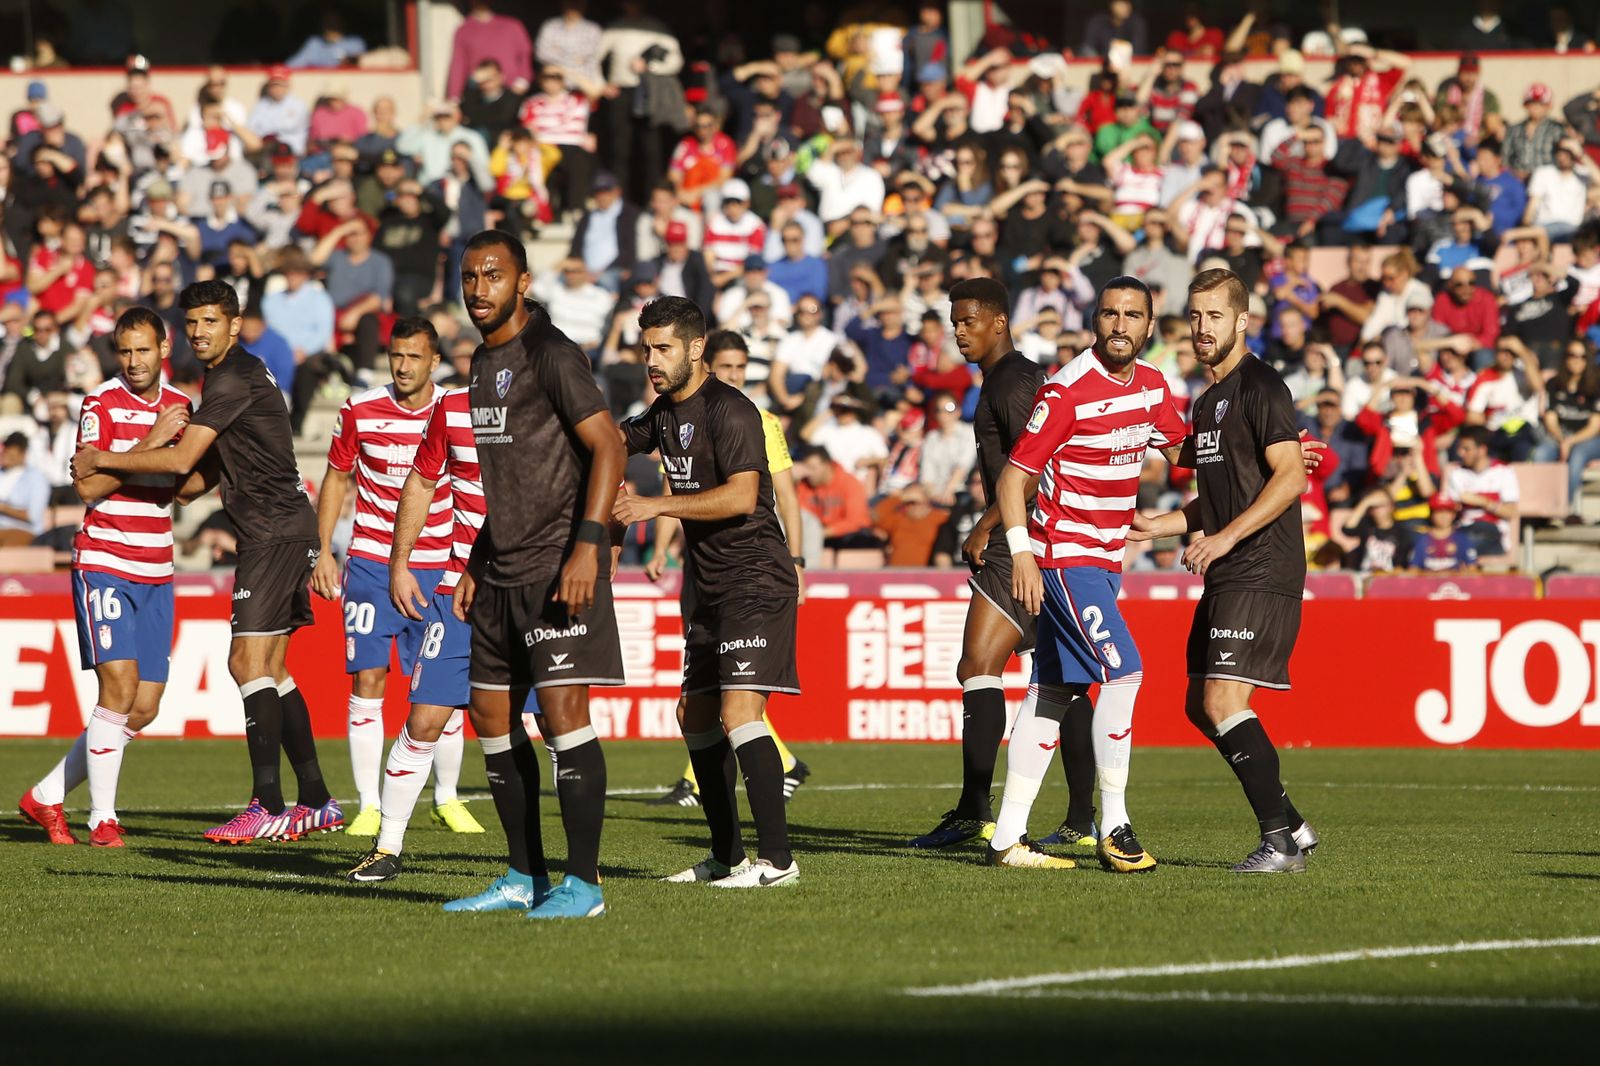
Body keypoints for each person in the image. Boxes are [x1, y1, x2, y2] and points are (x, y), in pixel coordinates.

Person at [71, 281, 340, 844]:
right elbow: (195, 483)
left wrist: (104, 458)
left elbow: (184, 457)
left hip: (270, 533)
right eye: (192, 323)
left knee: (246, 663)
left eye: (210, 322)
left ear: (235, 325)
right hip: (288, 526)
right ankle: (315, 798)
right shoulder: (240, 375)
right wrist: (158, 472)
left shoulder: (230, 376)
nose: (199, 332)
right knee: (275, 669)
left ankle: (266, 804)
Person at [446, 231, 627, 919]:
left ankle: (585, 886)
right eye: (469, 276)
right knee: (491, 714)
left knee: (562, 715)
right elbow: (512, 475)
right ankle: (525, 876)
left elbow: (607, 443)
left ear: (523, 282)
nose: (478, 288)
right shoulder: (477, 361)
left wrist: (588, 545)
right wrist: (474, 560)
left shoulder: (551, 352)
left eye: (493, 275)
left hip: (559, 564)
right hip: (500, 567)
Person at [993, 275, 1186, 872]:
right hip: (1064, 556)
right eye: (1109, 313)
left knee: (1053, 689)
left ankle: (1007, 837)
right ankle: (1115, 824)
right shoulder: (1067, 391)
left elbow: (1188, 452)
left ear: (1150, 327)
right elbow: (1011, 479)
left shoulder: (1153, 388)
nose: (1120, 324)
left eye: (1132, 315)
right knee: (1124, 673)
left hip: (1104, 560)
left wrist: (1267, 450)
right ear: (1094, 321)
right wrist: (1022, 552)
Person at [1130, 268, 1318, 874]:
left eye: (1215, 316)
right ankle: (1289, 821)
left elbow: (1289, 478)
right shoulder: (1208, 400)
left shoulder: (1262, 386)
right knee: (1196, 703)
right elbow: (1223, 490)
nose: (1203, 327)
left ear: (1242, 321)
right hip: (1227, 563)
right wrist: (1164, 525)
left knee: (1221, 700)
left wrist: (1222, 538)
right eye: (1196, 315)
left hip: (1261, 565)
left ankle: (1280, 839)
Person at [613, 297, 801, 888]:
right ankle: (726, 857)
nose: (652, 360)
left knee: (739, 712)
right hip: (706, 585)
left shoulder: (732, 410)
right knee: (694, 716)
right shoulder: (665, 411)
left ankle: (778, 862)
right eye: (647, 349)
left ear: (696, 349)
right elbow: (615, 443)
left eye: (663, 348)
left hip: (755, 578)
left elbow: (744, 497)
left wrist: (652, 505)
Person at [18, 311, 203, 845]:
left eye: (143, 350)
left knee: (143, 706)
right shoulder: (100, 402)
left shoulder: (182, 408)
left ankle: (48, 796)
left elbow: (181, 486)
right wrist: (152, 443)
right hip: (107, 562)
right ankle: (103, 820)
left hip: (158, 567)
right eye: (125, 352)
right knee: (117, 688)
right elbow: (89, 488)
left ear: (163, 348)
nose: (134, 362)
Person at [310, 319, 483, 840]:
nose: (403, 366)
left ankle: (447, 798)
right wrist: (323, 551)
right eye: (396, 356)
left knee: (443, 687)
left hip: (442, 566)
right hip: (368, 562)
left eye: (414, 357)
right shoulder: (360, 409)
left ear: (435, 362)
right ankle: (367, 804)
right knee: (368, 680)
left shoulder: (456, 411)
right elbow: (337, 476)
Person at [347, 325, 503, 883]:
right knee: (424, 717)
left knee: (549, 725)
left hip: (527, 592)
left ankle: (564, 865)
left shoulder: (548, 409)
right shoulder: (453, 409)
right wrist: (399, 560)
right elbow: (421, 481)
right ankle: (387, 845)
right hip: (455, 592)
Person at [646, 331, 810, 808]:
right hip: (700, 567)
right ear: (707, 364)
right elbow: (673, 492)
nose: (736, 375)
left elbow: (785, 496)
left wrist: (796, 560)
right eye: (729, 367)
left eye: (743, 367)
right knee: (703, 690)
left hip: (747, 568)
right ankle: (727, 819)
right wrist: (661, 551)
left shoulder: (758, 419)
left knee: (736, 693)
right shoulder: (677, 416)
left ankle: (746, 781)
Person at [1539, 341, 1600, 524]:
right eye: (1572, 355)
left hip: (1589, 439)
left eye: (1582, 357)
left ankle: (1561, 508)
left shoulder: (1596, 385)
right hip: (1559, 436)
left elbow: (1595, 425)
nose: (1577, 361)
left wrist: (1570, 442)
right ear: (1565, 358)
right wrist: (1561, 439)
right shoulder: (1554, 383)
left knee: (1578, 454)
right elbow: (1550, 418)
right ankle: (1538, 506)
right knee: (1542, 453)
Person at [1445, 425, 1521, 558]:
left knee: (1463, 546)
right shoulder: (1457, 473)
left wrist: (1482, 501)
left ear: (1482, 450)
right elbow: (1449, 510)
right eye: (1460, 448)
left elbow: (1511, 512)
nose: (1461, 453)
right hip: (1463, 528)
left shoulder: (1503, 472)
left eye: (1466, 449)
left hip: (1493, 531)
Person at [1409, 494, 1478, 571]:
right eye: (1438, 512)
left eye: (1447, 512)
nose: (1443, 516)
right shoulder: (1422, 540)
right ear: (1432, 515)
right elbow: (1413, 569)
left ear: (1453, 515)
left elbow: (1472, 568)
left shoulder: (1462, 539)